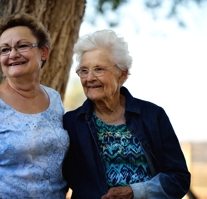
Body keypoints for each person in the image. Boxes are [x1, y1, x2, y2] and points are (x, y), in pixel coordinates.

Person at [63, 29, 191, 199]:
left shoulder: (153, 116)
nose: (89, 78)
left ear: (122, 73)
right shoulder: (71, 123)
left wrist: (135, 192)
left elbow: (179, 178)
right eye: (84, 71)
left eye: (99, 69)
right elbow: (57, 179)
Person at [0, 13, 69, 199]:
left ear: (44, 52)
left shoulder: (55, 98)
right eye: (5, 49)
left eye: (22, 45)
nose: (13, 55)